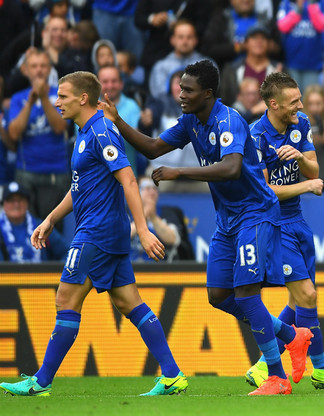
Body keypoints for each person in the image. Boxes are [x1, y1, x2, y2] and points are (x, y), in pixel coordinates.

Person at [100, 59, 313, 395]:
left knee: (246, 293)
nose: (181, 94)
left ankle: (276, 377)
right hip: (228, 218)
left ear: (208, 93)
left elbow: (231, 168)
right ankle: (292, 335)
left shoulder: (230, 121)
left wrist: (179, 172)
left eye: (188, 89)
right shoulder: (190, 121)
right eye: (181, 88)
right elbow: (155, 147)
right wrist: (119, 122)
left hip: (256, 213)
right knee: (218, 295)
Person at [0, 70, 187, 396]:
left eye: (63, 96)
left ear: (83, 98)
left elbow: (129, 179)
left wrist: (142, 229)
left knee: (65, 298)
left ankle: (41, 382)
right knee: (130, 302)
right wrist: (50, 219)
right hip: (103, 230)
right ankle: (172, 374)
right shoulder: (84, 133)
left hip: (97, 232)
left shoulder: (101, 130)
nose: (57, 102)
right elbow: (79, 188)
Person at [246, 71, 324, 392]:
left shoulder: (300, 124)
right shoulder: (255, 137)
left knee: (300, 302)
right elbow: (265, 190)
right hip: (274, 224)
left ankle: (261, 366)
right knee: (308, 295)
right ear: (273, 104)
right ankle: (322, 371)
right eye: (293, 102)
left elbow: (315, 168)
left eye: (299, 99)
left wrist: (299, 157)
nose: (299, 106)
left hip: (298, 222)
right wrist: (306, 185)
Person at [6, 48, 71, 221]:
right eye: (34, 66)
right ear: (25, 70)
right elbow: (14, 133)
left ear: (50, 68)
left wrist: (43, 98)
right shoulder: (18, 98)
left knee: (54, 229)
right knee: (30, 226)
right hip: (27, 172)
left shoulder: (62, 95)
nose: (39, 70)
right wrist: (31, 102)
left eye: (43, 65)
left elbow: (61, 127)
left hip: (56, 172)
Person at [0, 181, 68, 263]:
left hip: (40, 275)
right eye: (11, 200)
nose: (16, 204)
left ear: (27, 202)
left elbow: (67, 252)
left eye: (20, 200)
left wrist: (57, 272)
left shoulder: (41, 226)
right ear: (4, 204)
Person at [218, 23, 284, 106]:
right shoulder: (231, 69)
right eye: (254, 37)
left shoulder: (280, 70)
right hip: (236, 116)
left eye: (263, 38)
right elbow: (223, 101)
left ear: (269, 44)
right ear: (245, 43)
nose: (259, 41)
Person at [148, 19, 209, 102]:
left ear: (196, 40)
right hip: (168, 113)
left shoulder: (207, 65)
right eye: (181, 37)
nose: (185, 41)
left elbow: (209, 95)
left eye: (189, 37)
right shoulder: (161, 66)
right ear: (172, 40)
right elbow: (159, 97)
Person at [130, 177, 181, 262]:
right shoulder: (125, 211)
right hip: (131, 267)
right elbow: (121, 237)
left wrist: (153, 217)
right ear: (136, 191)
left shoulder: (167, 212)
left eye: (155, 188)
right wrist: (144, 215)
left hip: (160, 269)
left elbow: (173, 240)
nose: (152, 192)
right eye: (147, 188)